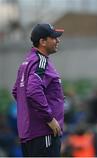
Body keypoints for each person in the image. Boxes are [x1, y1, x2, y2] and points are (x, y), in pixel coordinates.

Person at [12, 23, 65, 157]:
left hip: (29, 134)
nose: (58, 40)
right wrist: (49, 118)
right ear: (42, 42)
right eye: (54, 38)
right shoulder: (41, 62)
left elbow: (16, 91)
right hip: (44, 133)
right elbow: (33, 91)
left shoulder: (27, 62)